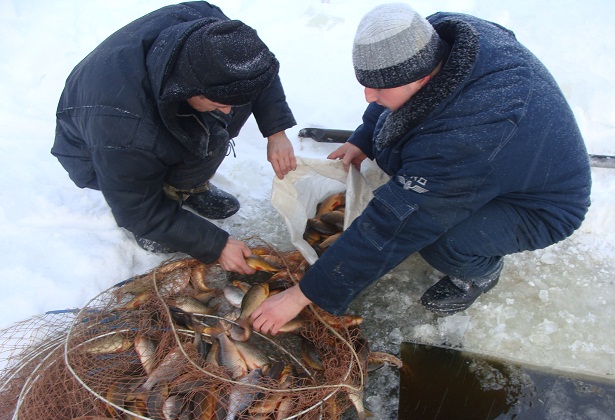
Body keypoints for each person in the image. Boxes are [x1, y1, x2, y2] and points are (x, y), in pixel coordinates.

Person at [251, 3, 591, 333]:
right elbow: (393, 96)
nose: (368, 96)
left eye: (378, 88)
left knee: (441, 239)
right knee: (408, 168)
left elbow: (396, 225)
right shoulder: (427, 38)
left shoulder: (466, 139)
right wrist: (365, 137)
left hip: (539, 206)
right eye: (366, 83)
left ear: (424, 77)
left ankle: (480, 273)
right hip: (504, 162)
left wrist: (302, 294)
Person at [51, 1, 296, 274]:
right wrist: (216, 245)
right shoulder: (125, 129)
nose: (229, 111)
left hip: (151, 108)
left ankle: (189, 188)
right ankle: (163, 206)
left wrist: (276, 131)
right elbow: (136, 210)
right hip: (96, 149)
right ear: (189, 89)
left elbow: (257, 70)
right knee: (148, 184)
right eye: (220, 102)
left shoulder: (212, 30)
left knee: (210, 130)